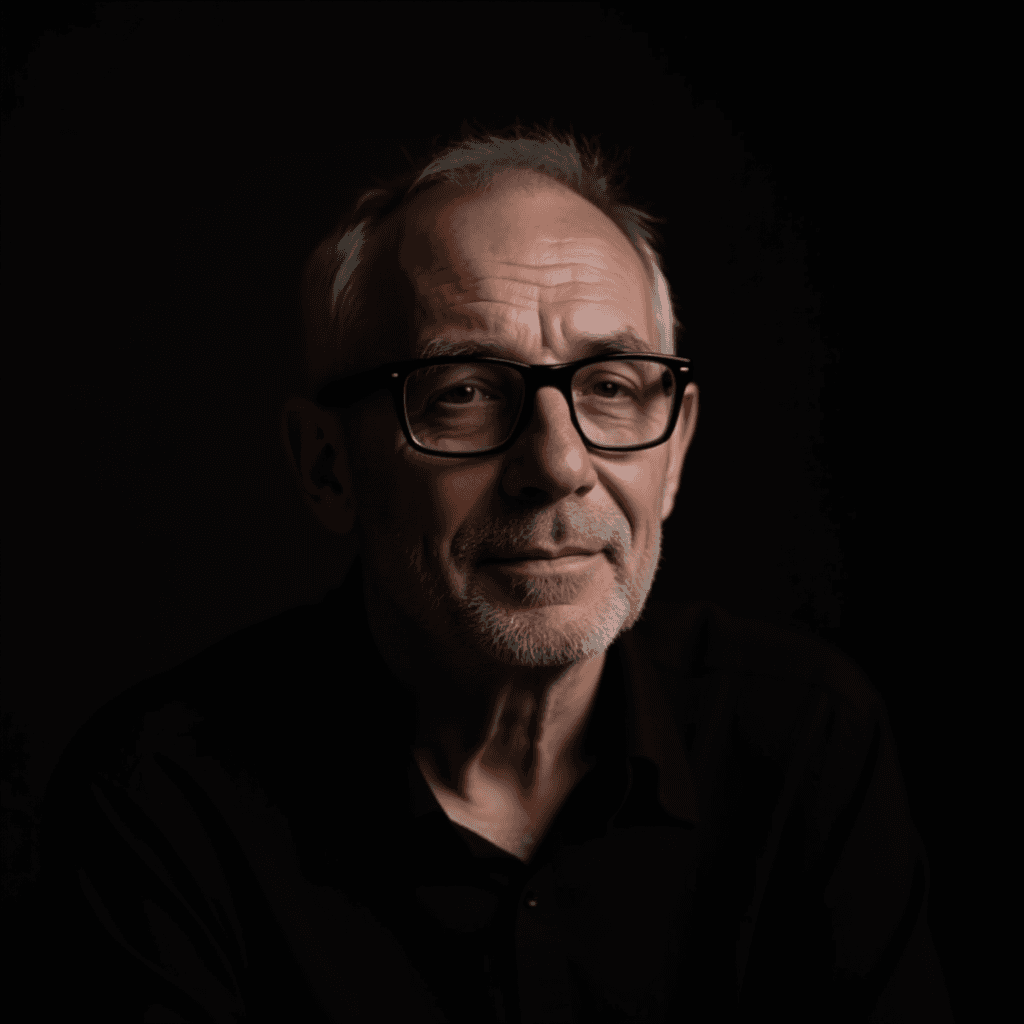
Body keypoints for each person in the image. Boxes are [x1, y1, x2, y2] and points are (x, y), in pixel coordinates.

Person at [33, 126, 954, 1022]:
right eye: (465, 393)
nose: (557, 465)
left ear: (673, 455)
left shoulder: (807, 744)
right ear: (328, 467)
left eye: (611, 386)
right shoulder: (159, 802)